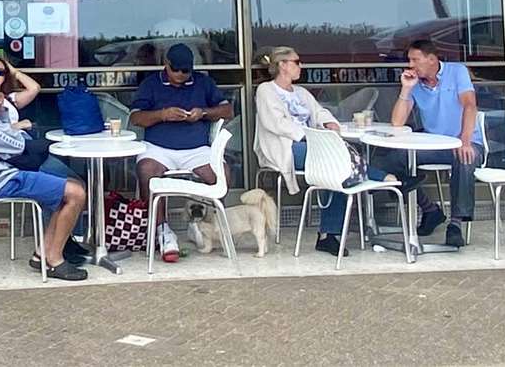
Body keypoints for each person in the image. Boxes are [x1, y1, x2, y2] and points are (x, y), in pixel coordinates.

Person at [252, 46, 412, 256]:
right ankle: (385, 180)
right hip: (285, 149)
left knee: (336, 169)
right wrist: (312, 136)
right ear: (282, 65)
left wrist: (329, 124)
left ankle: (329, 235)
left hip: (313, 146)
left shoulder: (300, 92)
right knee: (334, 160)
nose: (301, 66)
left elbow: (319, 111)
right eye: (297, 62)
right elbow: (276, 123)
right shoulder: (266, 90)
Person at [0, 61, 89, 282]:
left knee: (69, 191)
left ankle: (43, 254)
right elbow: (15, 143)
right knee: (76, 193)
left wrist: (1, 111)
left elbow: (0, 135)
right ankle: (55, 260)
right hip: (3, 179)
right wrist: (18, 126)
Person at [130, 43, 233, 263]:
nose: (180, 74)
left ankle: (203, 226)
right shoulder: (151, 84)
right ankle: (162, 231)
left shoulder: (203, 82)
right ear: (166, 65)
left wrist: (203, 112)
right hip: (158, 148)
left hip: (196, 148)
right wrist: (162, 114)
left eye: (185, 71)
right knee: (146, 170)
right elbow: (136, 117)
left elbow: (228, 110)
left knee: (220, 173)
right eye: (175, 69)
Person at [383, 39, 484, 248]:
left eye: (415, 60)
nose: (410, 65)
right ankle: (430, 209)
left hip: (466, 140)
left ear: (431, 59)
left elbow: (470, 105)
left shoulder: (457, 72)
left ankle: (456, 224)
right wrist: (406, 89)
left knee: (464, 158)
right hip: (435, 146)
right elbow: (397, 122)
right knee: (394, 159)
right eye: (409, 60)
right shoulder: (416, 84)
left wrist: (464, 140)